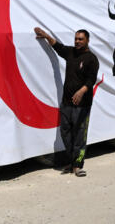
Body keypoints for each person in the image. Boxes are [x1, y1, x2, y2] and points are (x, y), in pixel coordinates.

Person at [34, 26, 99, 178]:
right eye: (76, 39)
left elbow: (91, 80)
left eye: (81, 39)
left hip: (82, 105)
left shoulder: (91, 59)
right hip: (66, 103)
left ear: (87, 41)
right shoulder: (71, 53)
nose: (77, 41)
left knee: (79, 136)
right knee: (65, 134)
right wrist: (45, 35)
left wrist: (81, 91)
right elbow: (58, 46)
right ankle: (71, 161)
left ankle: (78, 166)